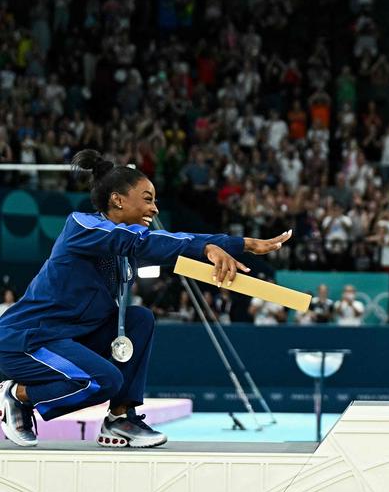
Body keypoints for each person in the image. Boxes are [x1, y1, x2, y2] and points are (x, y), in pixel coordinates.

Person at [0, 149, 290, 448]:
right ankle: (17, 394)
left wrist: (237, 246)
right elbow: (143, 242)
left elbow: (159, 245)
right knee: (104, 380)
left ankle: (120, 418)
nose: (155, 209)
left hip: (71, 338)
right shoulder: (81, 226)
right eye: (148, 199)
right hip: (27, 340)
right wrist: (212, 247)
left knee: (140, 319)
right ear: (118, 200)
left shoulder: (125, 251)